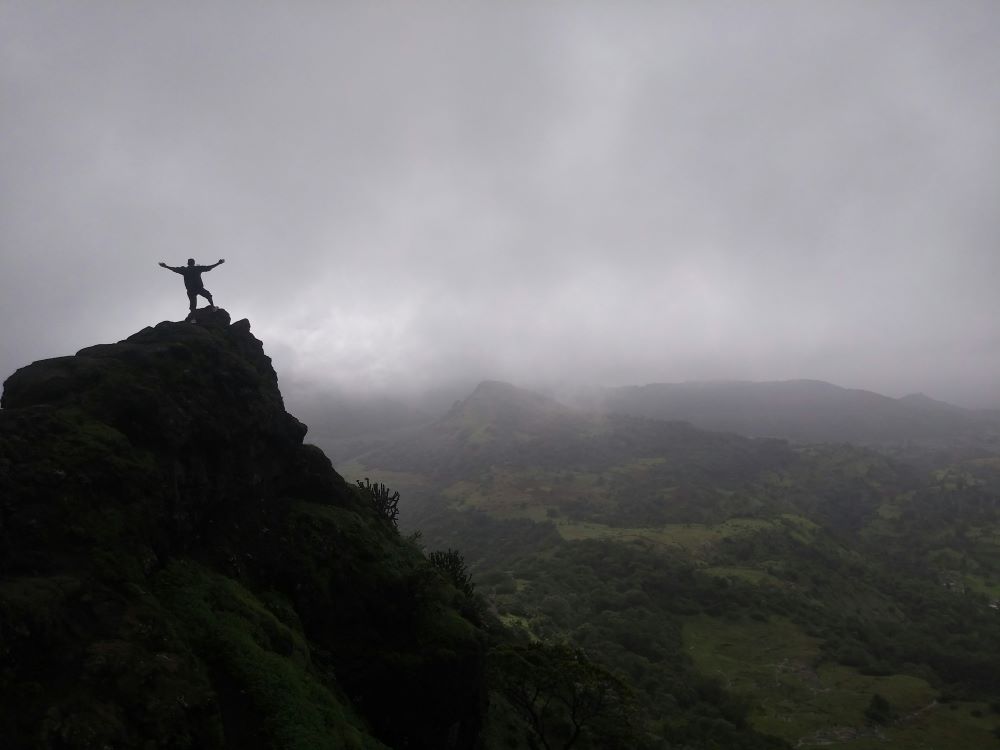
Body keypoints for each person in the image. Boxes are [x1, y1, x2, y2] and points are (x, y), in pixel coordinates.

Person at [159, 258, 225, 313]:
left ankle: (193, 318)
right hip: (198, 288)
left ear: (188, 263)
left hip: (190, 290)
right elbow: (209, 267)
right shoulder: (197, 268)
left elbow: (174, 269)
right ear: (193, 263)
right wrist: (218, 263)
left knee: (193, 305)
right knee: (208, 296)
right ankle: (213, 307)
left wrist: (166, 266)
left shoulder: (185, 270)